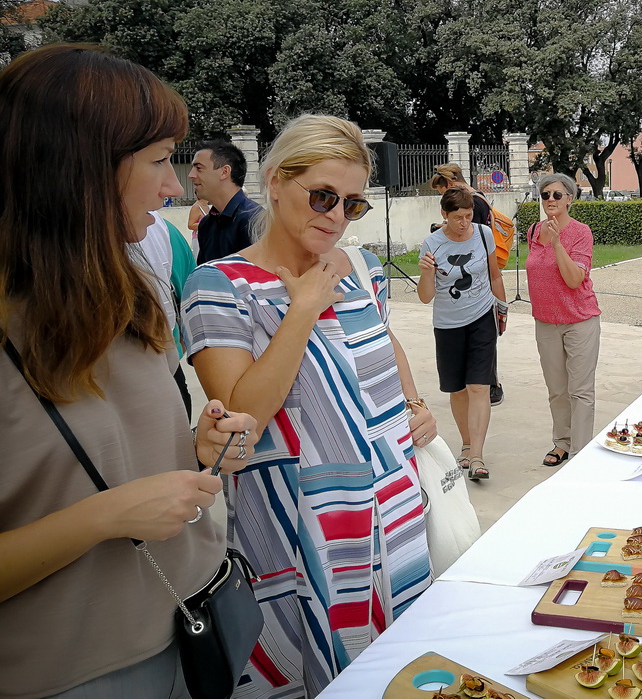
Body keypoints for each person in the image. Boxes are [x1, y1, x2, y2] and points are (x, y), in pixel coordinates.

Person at [0, 43, 257, 697]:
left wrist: (199, 446)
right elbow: (107, 499)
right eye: (160, 159)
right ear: (79, 168)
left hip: (196, 627)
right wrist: (102, 517)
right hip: (73, 674)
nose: (174, 186)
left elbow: (127, 455)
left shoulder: (131, 294)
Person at [183, 114, 436, 697]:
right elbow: (242, 418)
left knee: (396, 675)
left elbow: (383, 342)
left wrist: (414, 403)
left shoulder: (364, 270)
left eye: (352, 204)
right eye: (322, 195)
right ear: (275, 181)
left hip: (393, 505)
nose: (336, 216)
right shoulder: (218, 286)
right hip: (297, 529)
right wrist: (301, 310)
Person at [418, 185, 507, 482]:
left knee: (479, 386)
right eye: (457, 217)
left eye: (468, 216)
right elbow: (425, 297)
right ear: (444, 214)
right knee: (457, 389)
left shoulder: (483, 234)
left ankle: (478, 455)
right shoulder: (432, 244)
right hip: (447, 324)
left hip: (482, 318)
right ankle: (467, 445)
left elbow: (495, 275)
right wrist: (427, 272)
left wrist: (502, 308)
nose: (464, 223)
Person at [525, 173, 603, 467]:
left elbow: (573, 279)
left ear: (570, 198)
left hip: (579, 319)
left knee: (580, 390)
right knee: (557, 389)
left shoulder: (581, 232)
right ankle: (562, 442)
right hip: (545, 321)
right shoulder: (534, 231)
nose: (550, 200)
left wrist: (558, 243)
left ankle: (580, 452)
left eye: (557, 195)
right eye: (545, 195)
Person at [430, 162, 505, 406]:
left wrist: (501, 306)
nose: (463, 222)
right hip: (457, 301)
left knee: (482, 360)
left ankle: (492, 383)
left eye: (443, 191)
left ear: (450, 183)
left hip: (479, 284)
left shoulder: (476, 204)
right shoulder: (470, 202)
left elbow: (476, 240)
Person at [133, 209, 197, 414]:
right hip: (163, 359)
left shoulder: (161, 230)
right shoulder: (164, 230)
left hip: (163, 359)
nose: (174, 193)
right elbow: (190, 293)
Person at [189, 139, 263, 264]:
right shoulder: (206, 224)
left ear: (224, 172)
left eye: (199, 168)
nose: (191, 175)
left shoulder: (254, 220)